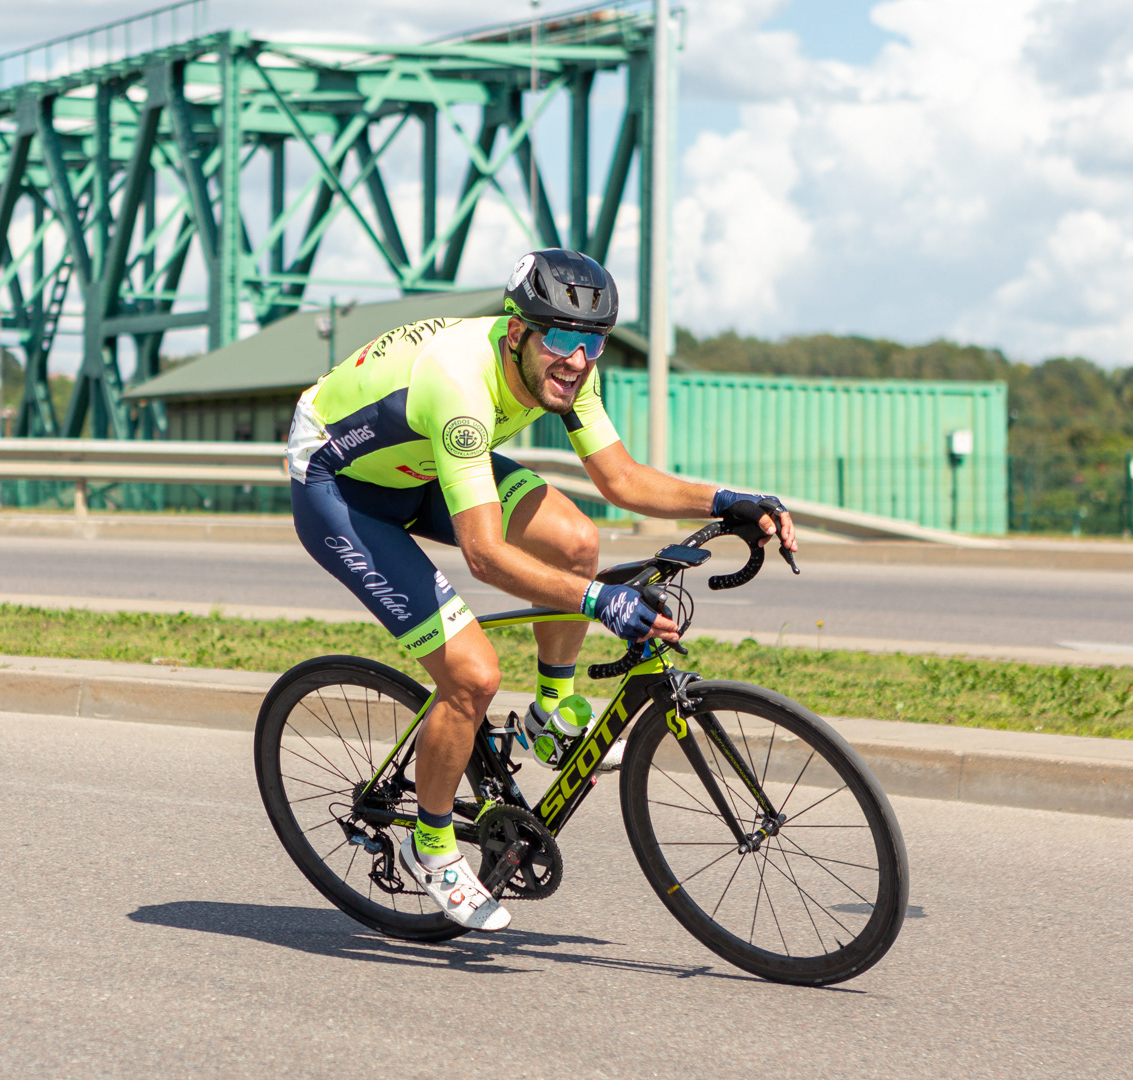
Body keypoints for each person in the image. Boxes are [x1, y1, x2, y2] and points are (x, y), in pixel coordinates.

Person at [286, 249, 796, 931]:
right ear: (518, 331)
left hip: (419, 463)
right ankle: (431, 847)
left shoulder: (568, 371)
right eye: (562, 337)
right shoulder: (461, 387)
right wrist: (599, 601)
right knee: (471, 673)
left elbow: (622, 479)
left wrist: (725, 500)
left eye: (594, 341)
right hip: (339, 487)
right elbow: (486, 556)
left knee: (577, 542)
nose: (579, 359)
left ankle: (553, 712)